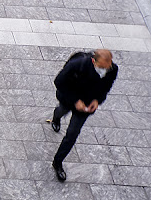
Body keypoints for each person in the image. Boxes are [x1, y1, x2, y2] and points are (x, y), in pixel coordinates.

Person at [47, 49, 118, 182]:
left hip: (85, 106)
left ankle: (58, 162)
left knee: (72, 134)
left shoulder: (112, 69)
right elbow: (59, 82)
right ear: (93, 61)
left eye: (107, 66)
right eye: (102, 67)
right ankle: (56, 118)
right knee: (61, 111)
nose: (106, 69)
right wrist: (75, 100)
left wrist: (97, 100)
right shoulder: (78, 64)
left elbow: (106, 87)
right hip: (69, 99)